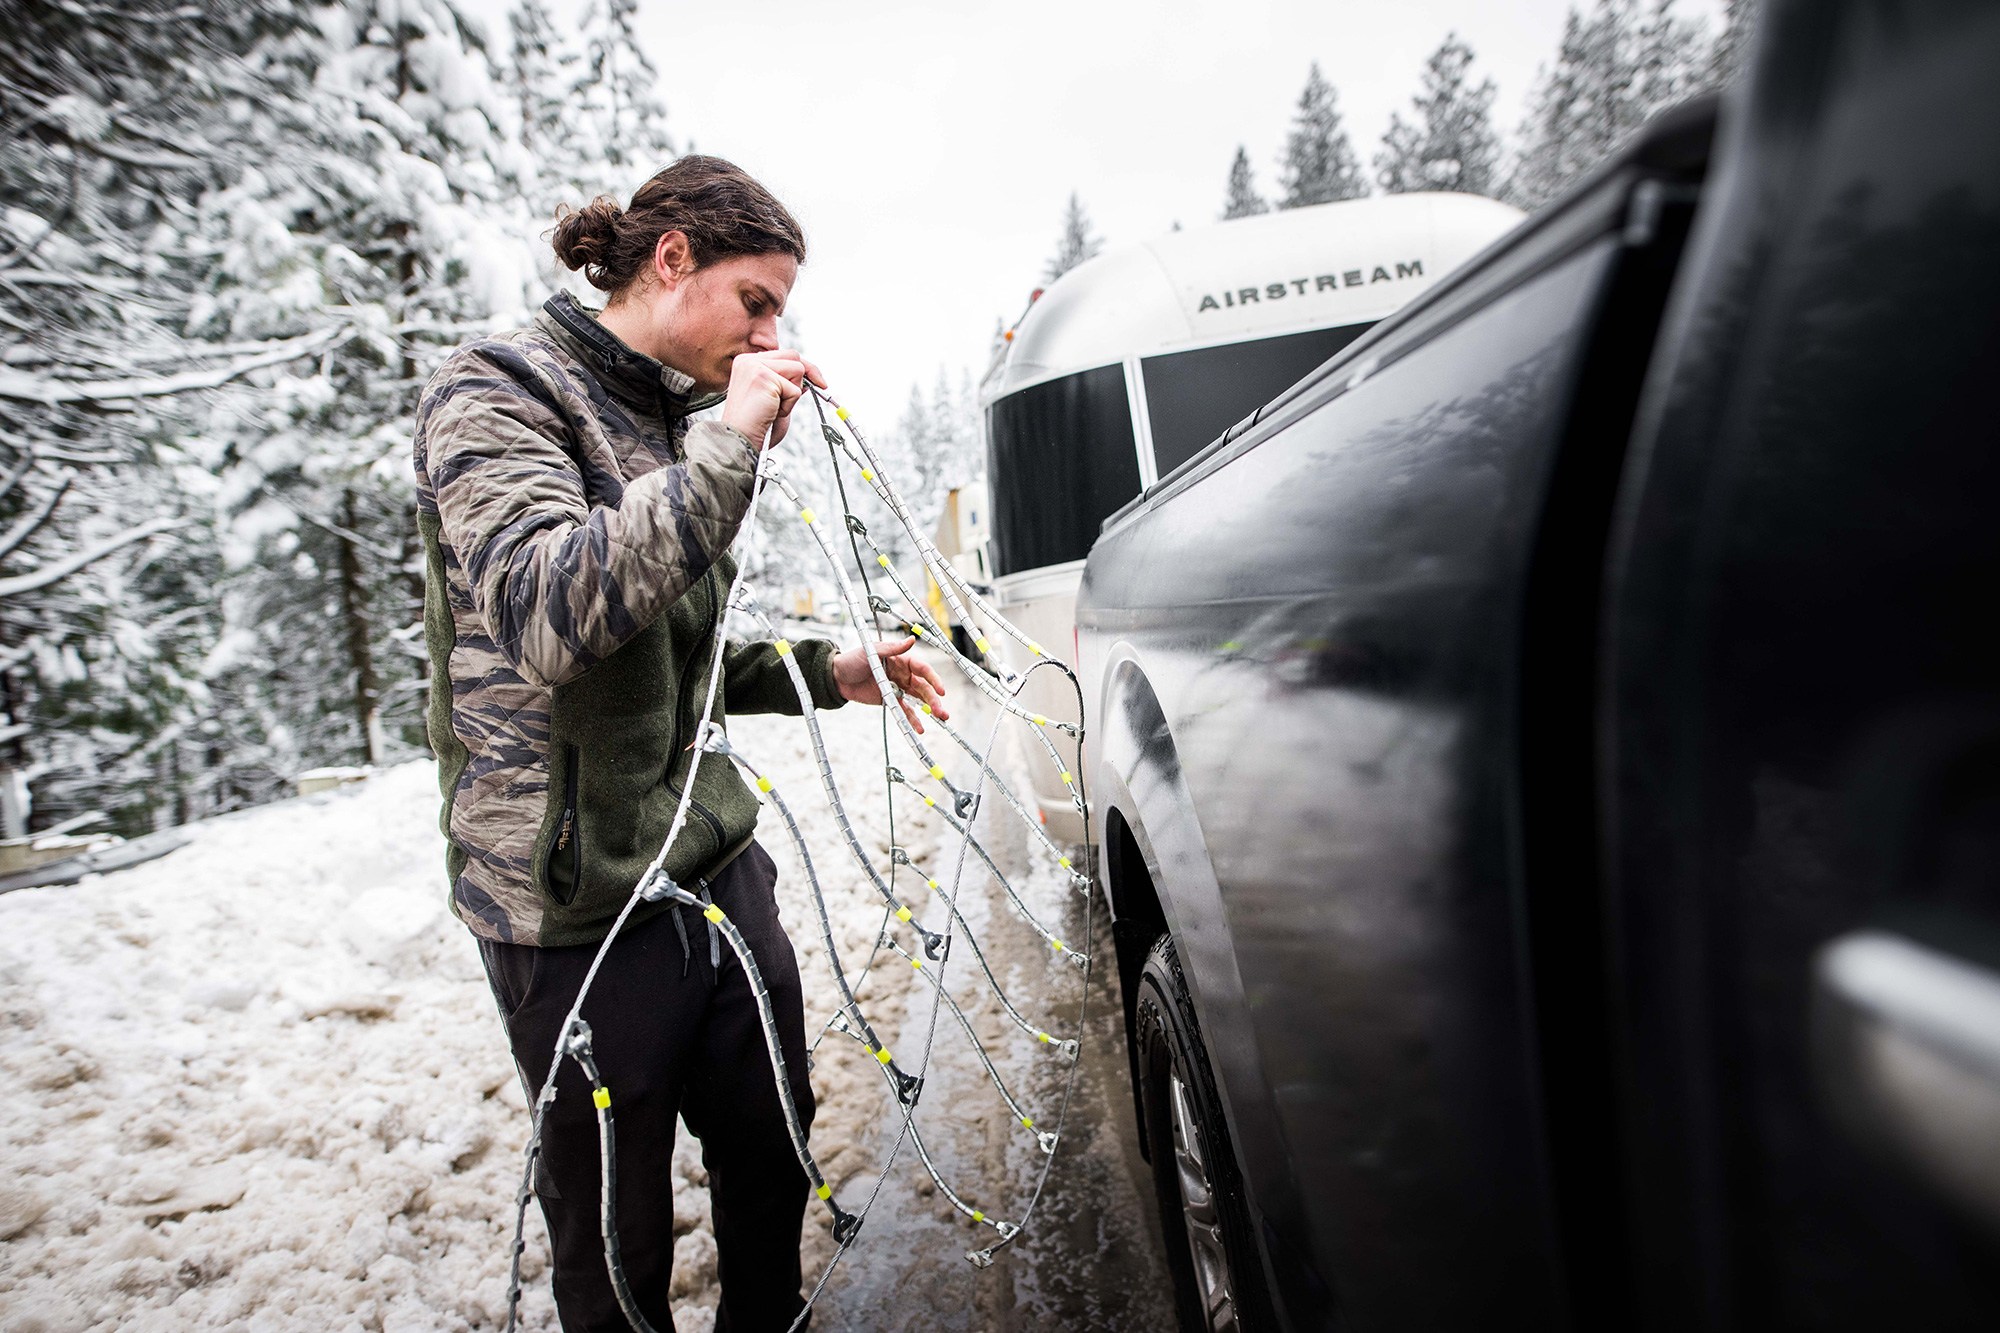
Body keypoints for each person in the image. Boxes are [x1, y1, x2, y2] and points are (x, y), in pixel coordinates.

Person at [412, 155, 947, 1331]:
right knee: (617, 1237)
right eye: (755, 300)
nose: (769, 334)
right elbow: (553, 613)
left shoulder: (670, 420)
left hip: (712, 869)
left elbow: (667, 652)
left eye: (779, 311)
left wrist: (827, 670)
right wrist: (727, 449)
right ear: (670, 259)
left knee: (770, 1150)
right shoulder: (495, 389)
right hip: (576, 905)